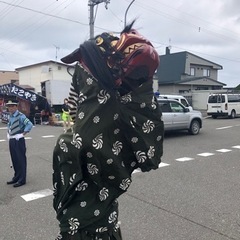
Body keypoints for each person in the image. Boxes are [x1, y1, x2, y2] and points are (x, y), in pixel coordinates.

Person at [52, 21, 164, 240]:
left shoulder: (79, 139)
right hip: (108, 227)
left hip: (83, 233)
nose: (77, 81)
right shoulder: (124, 127)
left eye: (80, 75)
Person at [6, 100, 33, 187]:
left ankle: (22, 179)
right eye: (9, 106)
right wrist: (8, 133)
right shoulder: (11, 116)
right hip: (12, 139)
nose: (10, 108)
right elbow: (10, 125)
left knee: (20, 159)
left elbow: (29, 124)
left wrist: (23, 134)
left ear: (16, 107)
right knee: (14, 159)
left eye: (12, 106)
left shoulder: (21, 116)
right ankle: (16, 177)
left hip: (18, 139)